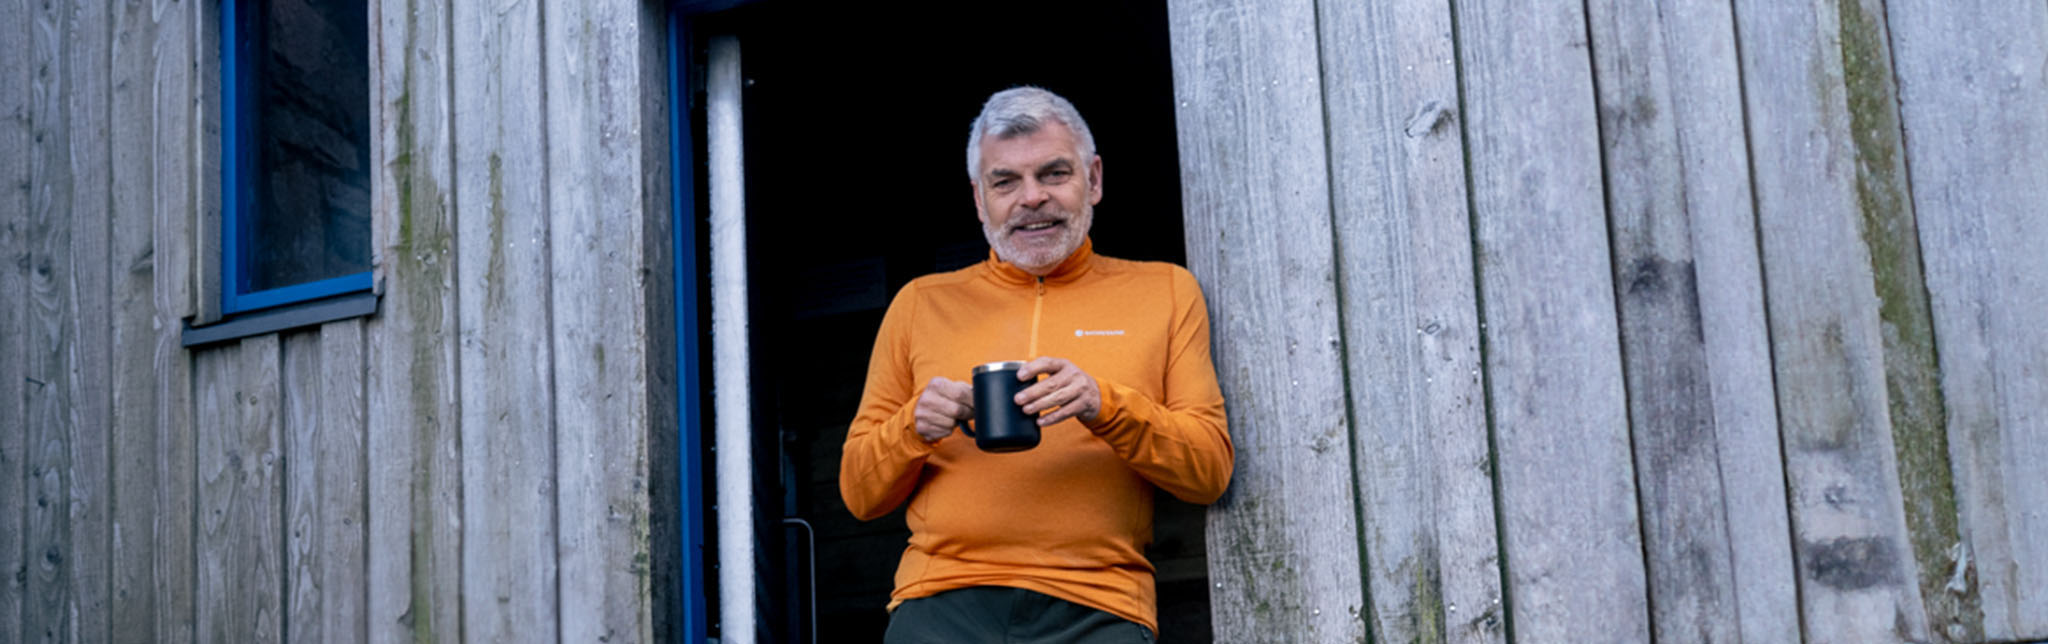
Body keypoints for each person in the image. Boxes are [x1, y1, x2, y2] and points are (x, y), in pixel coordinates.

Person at [839, 86, 1234, 643]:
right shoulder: (920, 303)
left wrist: (1106, 404)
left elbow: (1209, 473)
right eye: (1006, 181)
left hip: (1100, 607)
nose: (1032, 198)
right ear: (980, 199)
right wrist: (913, 426)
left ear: (1093, 180)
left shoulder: (1166, 291)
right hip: (941, 603)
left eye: (1054, 174)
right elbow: (859, 494)